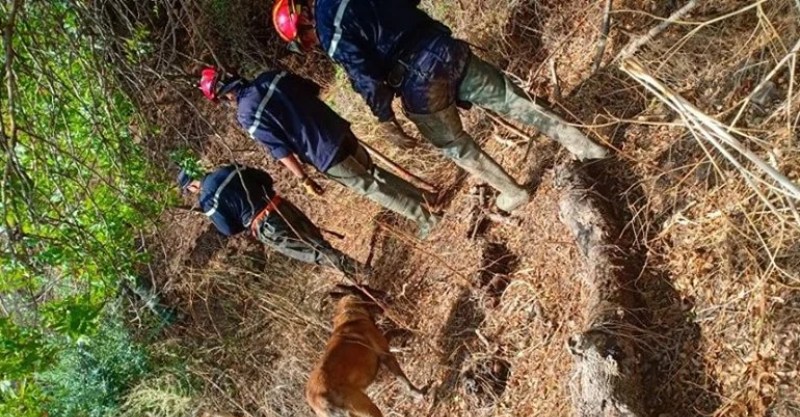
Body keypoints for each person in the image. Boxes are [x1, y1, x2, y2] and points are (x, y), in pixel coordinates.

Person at [271, 0, 608, 213]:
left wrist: (385, 118)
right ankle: (584, 145)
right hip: (445, 48)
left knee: (454, 145)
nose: (313, 44)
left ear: (304, 23)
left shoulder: (331, 30)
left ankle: (513, 193)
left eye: (306, 40)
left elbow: (365, 78)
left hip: (419, 81)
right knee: (512, 100)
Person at [198, 67, 440, 239]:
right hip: (338, 128)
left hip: (322, 151)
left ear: (224, 95)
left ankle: (426, 218)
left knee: (369, 186)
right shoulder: (273, 76)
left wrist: (303, 178)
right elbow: (313, 88)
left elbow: (279, 148)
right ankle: (428, 199)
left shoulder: (246, 113)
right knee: (373, 172)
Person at [178, 163, 363, 276]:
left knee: (312, 252)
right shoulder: (230, 169)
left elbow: (228, 229)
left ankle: (362, 273)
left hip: (265, 225)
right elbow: (265, 178)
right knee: (317, 242)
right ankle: (356, 274)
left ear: (192, 185)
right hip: (279, 204)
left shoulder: (207, 200)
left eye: (189, 190)